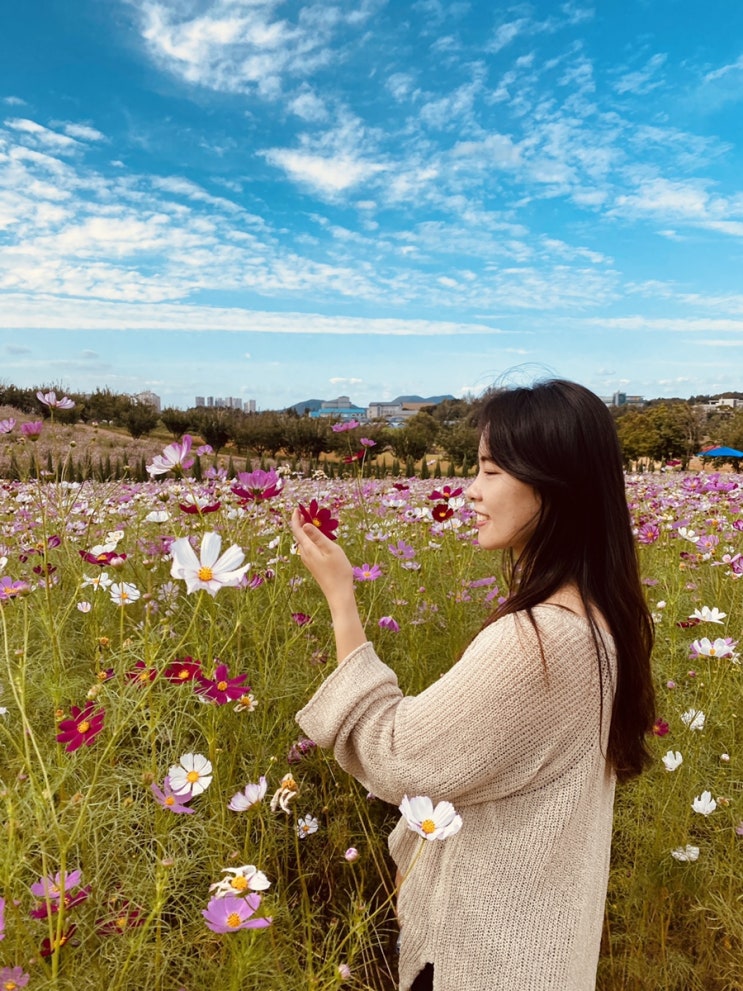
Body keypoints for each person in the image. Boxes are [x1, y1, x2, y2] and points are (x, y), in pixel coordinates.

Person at [290, 378, 655, 991]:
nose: (469, 491)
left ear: (553, 482)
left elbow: (394, 751)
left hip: (488, 959)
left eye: (489, 470)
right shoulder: (599, 619)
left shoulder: (538, 643)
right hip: (540, 954)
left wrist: (339, 597)